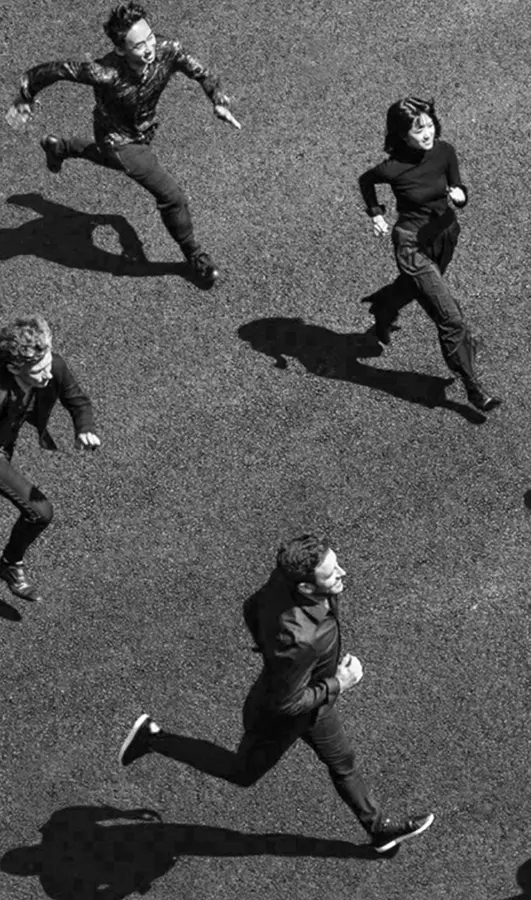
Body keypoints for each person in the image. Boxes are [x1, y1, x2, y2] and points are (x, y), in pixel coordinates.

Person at [116, 535, 435, 853]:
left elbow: (251, 606)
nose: (343, 572)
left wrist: (272, 654)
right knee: (241, 774)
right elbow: (287, 703)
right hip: (278, 718)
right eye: (332, 573)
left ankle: (378, 829)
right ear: (306, 589)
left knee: (343, 762)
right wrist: (340, 682)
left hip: (313, 702)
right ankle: (152, 737)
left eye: (335, 563)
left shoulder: (285, 578)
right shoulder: (300, 640)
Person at [4, 3, 242, 289]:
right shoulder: (103, 73)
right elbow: (56, 70)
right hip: (117, 139)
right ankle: (195, 256)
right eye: (139, 45)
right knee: (171, 195)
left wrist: (218, 99)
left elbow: (201, 72)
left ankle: (63, 148)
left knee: (118, 164)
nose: (149, 48)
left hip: (142, 131)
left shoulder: (169, 50)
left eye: (150, 37)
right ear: (120, 50)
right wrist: (26, 94)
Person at [357, 97, 501, 415]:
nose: (427, 133)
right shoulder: (392, 168)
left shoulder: (445, 151)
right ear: (402, 134)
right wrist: (376, 214)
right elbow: (366, 181)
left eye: (430, 124)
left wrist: (460, 196)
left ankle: (384, 305)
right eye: (418, 129)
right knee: (451, 320)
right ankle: (473, 389)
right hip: (412, 248)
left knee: (421, 291)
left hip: (445, 236)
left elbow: (458, 187)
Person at [0, 316, 99, 604]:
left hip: (4, 441)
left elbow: (78, 401)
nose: (47, 376)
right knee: (40, 512)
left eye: (47, 367)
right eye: (38, 372)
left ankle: (8, 563)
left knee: (39, 513)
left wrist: (85, 429)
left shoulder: (51, 364)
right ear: (13, 367)